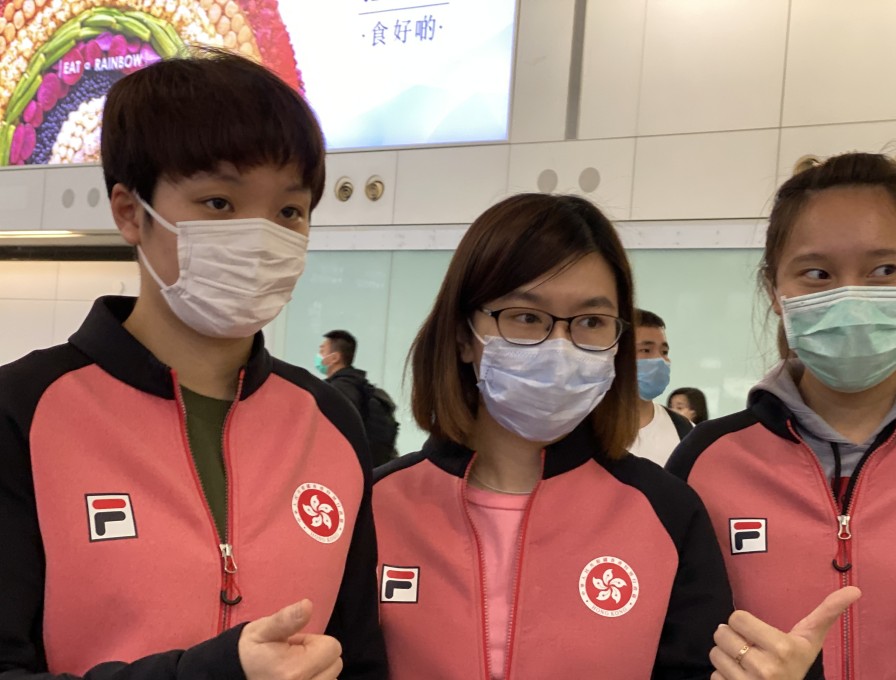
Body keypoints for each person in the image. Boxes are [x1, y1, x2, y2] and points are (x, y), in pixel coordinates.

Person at [0, 51, 386, 679]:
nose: (260, 236)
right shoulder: (24, 410)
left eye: (289, 212)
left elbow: (361, 657)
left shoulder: (329, 423)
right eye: (218, 203)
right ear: (130, 212)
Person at [667, 152, 896, 679]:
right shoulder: (705, 461)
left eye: (884, 269)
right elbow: (670, 653)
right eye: (817, 273)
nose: (850, 296)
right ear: (774, 290)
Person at [373, 193, 733, 679]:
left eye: (590, 322)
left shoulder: (668, 513)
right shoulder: (375, 506)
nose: (559, 346)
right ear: (463, 335)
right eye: (526, 316)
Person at [318, 330, 399, 466]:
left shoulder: (339, 390)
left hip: (348, 468)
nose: (319, 355)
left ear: (334, 358)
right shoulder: (359, 386)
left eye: (322, 350)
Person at [629, 309, 692, 465]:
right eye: (645, 350)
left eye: (664, 351)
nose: (660, 359)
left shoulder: (684, 431)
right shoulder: (580, 427)